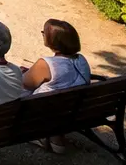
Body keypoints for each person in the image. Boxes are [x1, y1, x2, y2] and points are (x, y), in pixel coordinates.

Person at [22, 18, 92, 152]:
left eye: (44, 33)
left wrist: (25, 73)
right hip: (72, 111)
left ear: (53, 40)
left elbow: (26, 84)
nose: (42, 34)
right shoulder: (82, 60)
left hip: (44, 113)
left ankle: (40, 134)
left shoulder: (47, 64)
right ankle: (56, 138)